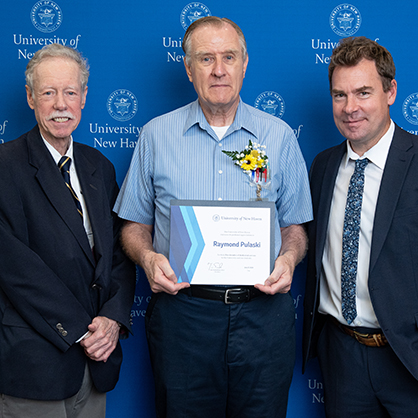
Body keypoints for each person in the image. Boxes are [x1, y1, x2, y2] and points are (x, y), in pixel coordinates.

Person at [115, 16, 312, 418]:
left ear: (244, 63)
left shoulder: (279, 137)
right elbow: (135, 224)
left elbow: (294, 227)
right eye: (205, 58)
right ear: (189, 69)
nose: (219, 69)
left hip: (263, 317)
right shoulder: (156, 135)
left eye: (229, 57)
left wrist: (289, 259)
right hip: (183, 318)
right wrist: (148, 258)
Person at [0, 43, 136, 418]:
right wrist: (83, 332)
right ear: (30, 98)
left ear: (84, 97)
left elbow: (120, 254)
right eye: (48, 93)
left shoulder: (99, 167)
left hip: (97, 364)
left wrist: (111, 320)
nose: (61, 104)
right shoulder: (5, 168)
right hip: (35, 365)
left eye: (70, 92)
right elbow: (15, 269)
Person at [303, 36, 418, 417]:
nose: (350, 108)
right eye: (340, 95)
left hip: (408, 358)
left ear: (391, 92)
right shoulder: (322, 167)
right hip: (342, 357)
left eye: (363, 92)